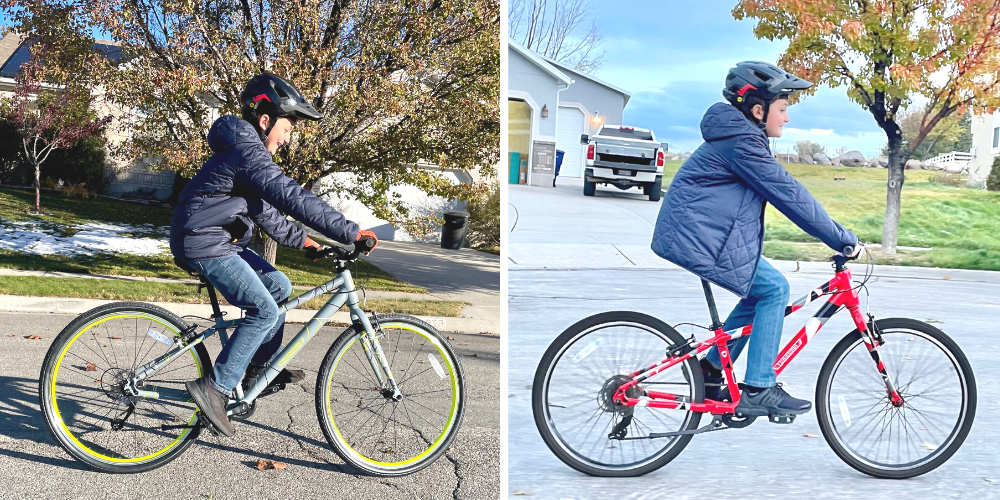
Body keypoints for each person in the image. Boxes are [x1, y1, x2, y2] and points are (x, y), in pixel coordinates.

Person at [650, 61, 861, 419]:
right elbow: (788, 195)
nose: (787, 118)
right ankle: (760, 387)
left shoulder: (741, 137)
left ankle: (711, 370)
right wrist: (841, 239)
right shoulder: (743, 142)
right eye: (782, 109)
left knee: (759, 291)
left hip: (703, 234)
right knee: (775, 290)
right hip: (697, 237)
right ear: (758, 109)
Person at [170, 73, 377, 436]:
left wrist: (306, 244)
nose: (288, 138)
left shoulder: (245, 152)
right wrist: (350, 231)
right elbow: (291, 197)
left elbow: (268, 213)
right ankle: (214, 388)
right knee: (264, 310)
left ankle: (255, 366)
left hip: (216, 240)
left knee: (279, 285)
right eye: (288, 128)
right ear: (265, 120)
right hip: (203, 242)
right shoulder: (247, 150)